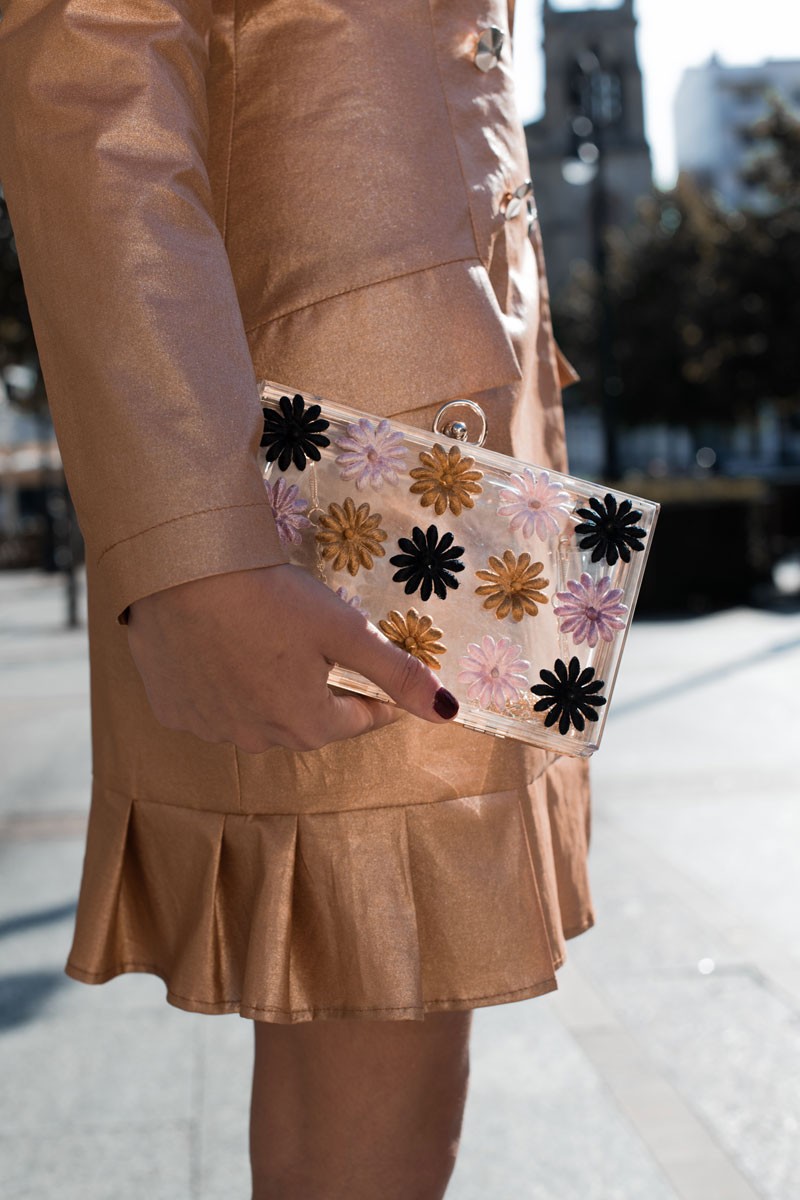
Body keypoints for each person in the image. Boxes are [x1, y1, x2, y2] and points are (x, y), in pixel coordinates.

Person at [0, 2, 595, 1197]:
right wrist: (190, 538)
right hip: (301, 460)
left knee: (418, 998)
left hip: (462, 440)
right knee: (377, 981)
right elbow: (90, 52)